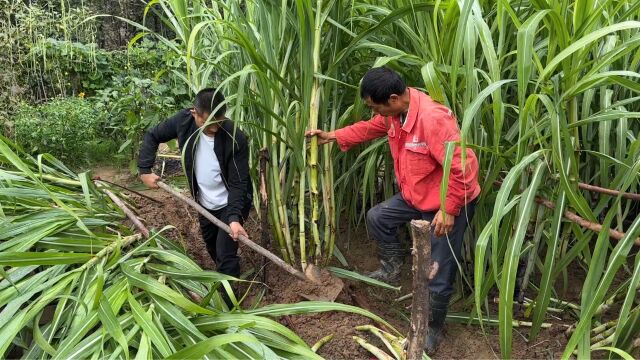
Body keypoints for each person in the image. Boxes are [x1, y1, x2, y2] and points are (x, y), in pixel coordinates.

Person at [306, 67, 480, 354]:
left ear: (394, 98)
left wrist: (449, 209)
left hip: (447, 201)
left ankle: (431, 329)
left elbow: (464, 168)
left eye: (376, 107)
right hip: (417, 194)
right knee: (378, 217)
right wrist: (334, 136)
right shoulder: (395, 113)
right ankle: (392, 268)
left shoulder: (432, 119)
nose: (376, 113)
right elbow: (370, 127)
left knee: (437, 269)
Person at [138, 87, 252, 283]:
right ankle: (224, 276)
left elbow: (238, 183)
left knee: (226, 254)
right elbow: (152, 135)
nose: (214, 128)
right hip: (204, 202)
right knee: (212, 247)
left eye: (218, 122)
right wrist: (145, 170)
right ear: (194, 113)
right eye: (207, 122)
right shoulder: (183, 121)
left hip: (231, 201)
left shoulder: (235, 137)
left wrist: (234, 217)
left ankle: (229, 305)